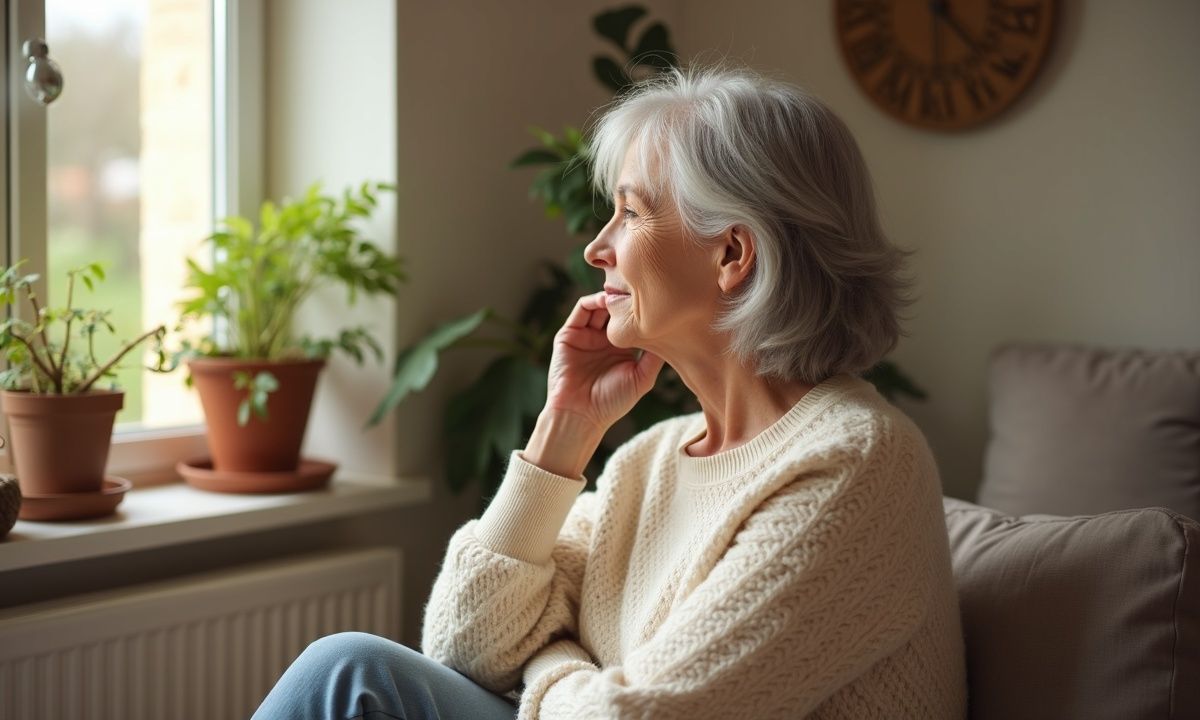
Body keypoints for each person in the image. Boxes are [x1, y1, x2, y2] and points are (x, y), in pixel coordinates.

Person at [251, 66, 967, 720]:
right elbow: (464, 645)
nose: (598, 248)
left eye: (630, 212)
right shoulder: (648, 461)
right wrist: (563, 430)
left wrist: (553, 659)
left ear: (732, 255)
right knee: (349, 669)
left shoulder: (855, 461)